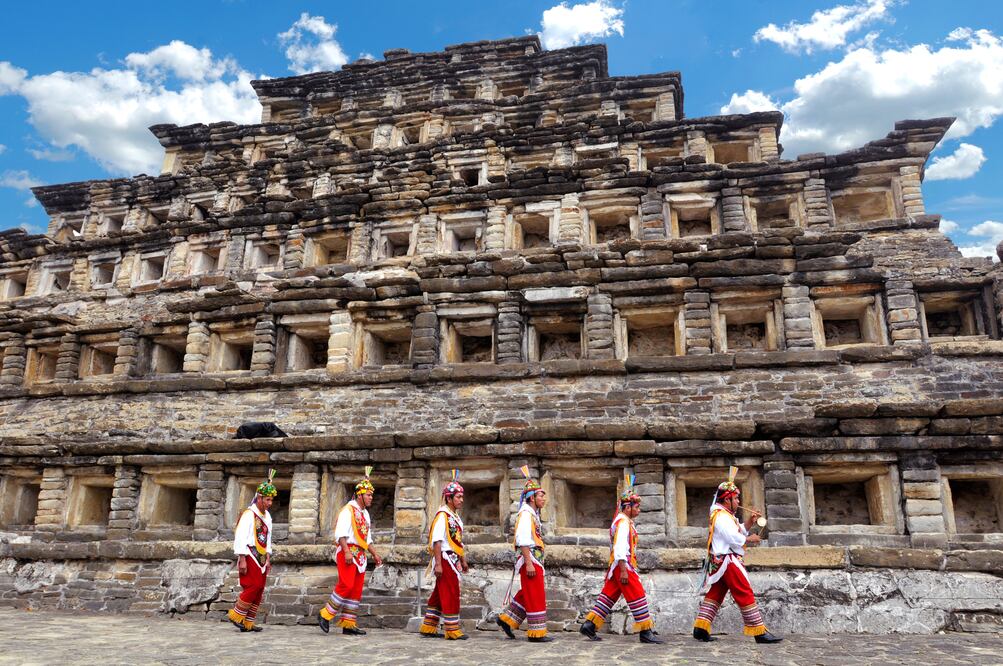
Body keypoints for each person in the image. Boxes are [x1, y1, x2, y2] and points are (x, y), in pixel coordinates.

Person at [692, 467, 782, 644]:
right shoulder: (721, 516)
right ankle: (759, 631)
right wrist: (750, 538)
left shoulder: (725, 515)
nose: (738, 501)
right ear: (727, 500)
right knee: (744, 591)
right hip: (728, 560)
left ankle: (701, 628)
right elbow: (732, 537)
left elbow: (737, 530)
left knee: (716, 592)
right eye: (735, 498)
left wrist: (749, 522)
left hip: (723, 559)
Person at [579, 472, 662, 644]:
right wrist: (624, 569)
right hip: (623, 564)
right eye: (636, 507)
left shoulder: (621, 521)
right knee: (637, 595)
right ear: (627, 507)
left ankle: (590, 624)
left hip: (618, 565)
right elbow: (619, 548)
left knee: (608, 595)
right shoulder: (623, 523)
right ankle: (645, 632)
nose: (639, 510)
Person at [318, 466, 384, 636]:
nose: (371, 498)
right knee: (346, 584)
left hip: (360, 554)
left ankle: (349, 623)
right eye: (368, 495)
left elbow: (366, 537)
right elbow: (341, 533)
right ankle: (325, 614)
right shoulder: (348, 511)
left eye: (371, 495)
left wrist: (374, 553)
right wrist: (347, 551)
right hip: (348, 552)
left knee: (355, 589)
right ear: (360, 495)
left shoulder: (365, 514)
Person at [496, 466, 553, 643]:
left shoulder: (532, 515)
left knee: (528, 592)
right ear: (532, 498)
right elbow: (522, 540)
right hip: (530, 559)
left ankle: (507, 620)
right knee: (535, 594)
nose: (544, 498)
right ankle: (536, 633)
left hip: (535, 559)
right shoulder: (526, 515)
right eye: (541, 495)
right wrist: (528, 562)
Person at [419, 470, 469, 640]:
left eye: (462, 497)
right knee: (450, 592)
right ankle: (452, 629)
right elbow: (437, 541)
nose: (461, 500)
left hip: (453, 558)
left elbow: (458, 541)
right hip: (445, 559)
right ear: (449, 498)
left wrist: (463, 559)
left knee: (440, 594)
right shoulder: (442, 516)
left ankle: (428, 626)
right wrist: (438, 564)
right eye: (458, 497)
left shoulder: (455, 517)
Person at [227, 469, 277, 632]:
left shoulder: (267, 517)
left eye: (271, 500)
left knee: (259, 588)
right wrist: (241, 557)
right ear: (260, 498)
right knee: (252, 586)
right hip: (249, 554)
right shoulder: (249, 514)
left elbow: (267, 537)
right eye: (268, 500)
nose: (270, 503)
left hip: (262, 557)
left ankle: (248, 621)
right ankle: (237, 614)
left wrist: (268, 557)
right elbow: (240, 536)